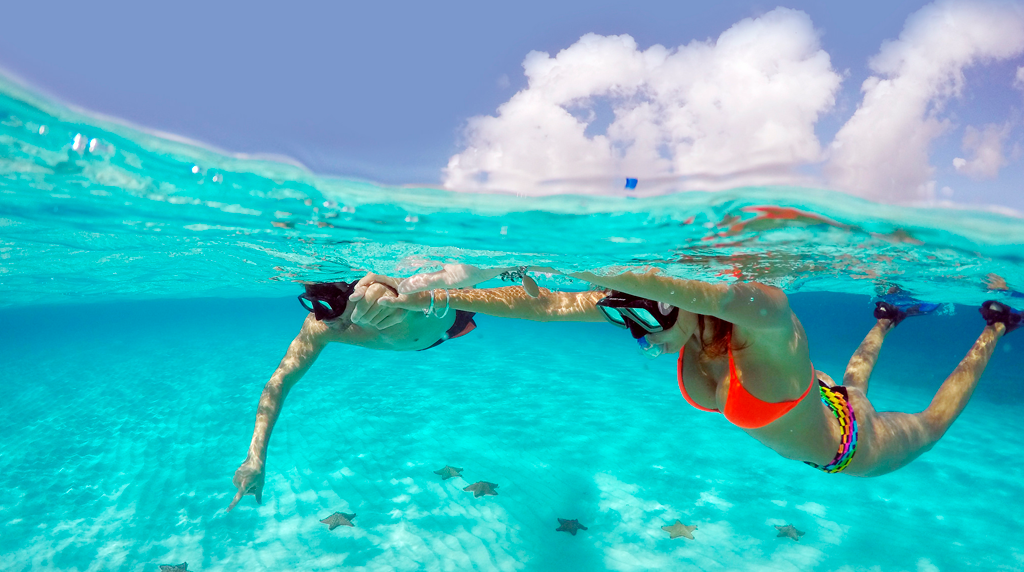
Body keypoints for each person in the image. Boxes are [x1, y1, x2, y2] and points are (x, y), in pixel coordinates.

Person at [380, 265, 1020, 477]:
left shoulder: (770, 336)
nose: (638, 341)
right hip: (818, 400)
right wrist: (434, 297)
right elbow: (544, 305)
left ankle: (997, 323)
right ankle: (888, 316)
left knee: (930, 424)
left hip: (853, 448)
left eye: (642, 323)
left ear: (681, 302)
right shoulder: (668, 321)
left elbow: (754, 300)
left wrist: (604, 267)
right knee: (851, 387)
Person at [227, 273, 477, 511]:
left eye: (331, 303)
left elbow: (407, 289)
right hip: (427, 335)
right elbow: (279, 381)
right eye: (314, 303)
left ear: (357, 292)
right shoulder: (322, 325)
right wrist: (255, 459)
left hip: (456, 316)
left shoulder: (394, 303)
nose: (324, 317)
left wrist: (395, 293)